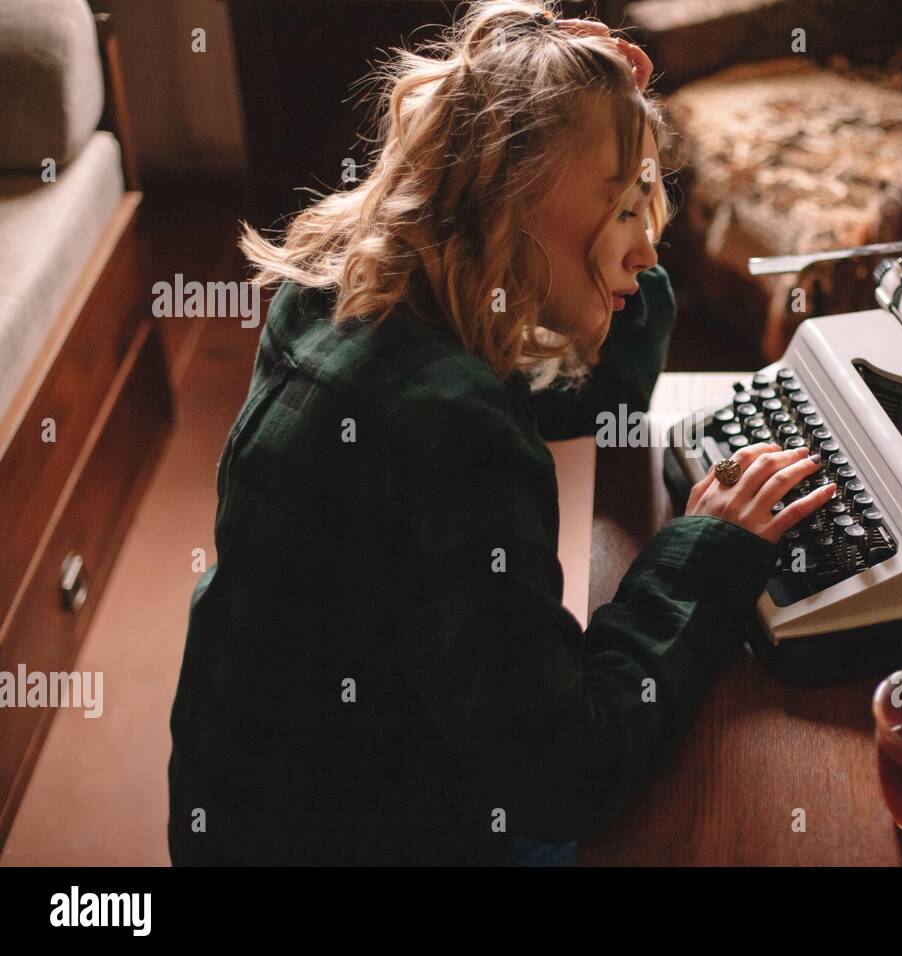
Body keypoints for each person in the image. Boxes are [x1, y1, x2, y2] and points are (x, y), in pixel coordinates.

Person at [166, 0, 835, 866]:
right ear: (515, 199)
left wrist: (575, 114)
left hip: (237, 815)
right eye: (620, 204)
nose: (645, 247)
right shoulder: (453, 430)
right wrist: (702, 557)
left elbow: (571, 401)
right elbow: (563, 776)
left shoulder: (338, 290)